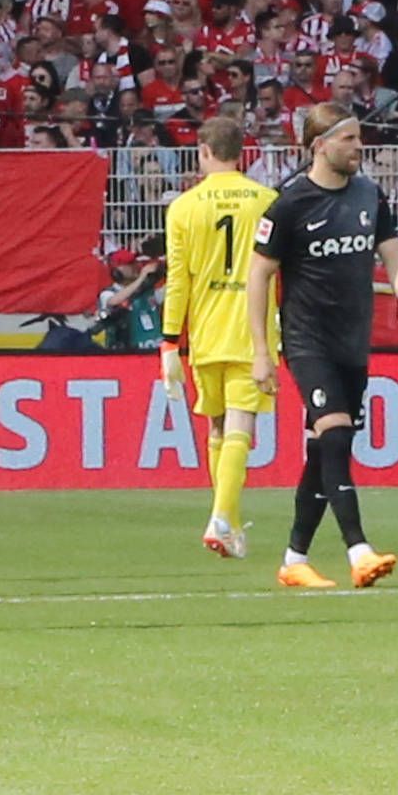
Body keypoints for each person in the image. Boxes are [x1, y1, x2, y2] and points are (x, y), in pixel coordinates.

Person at [251, 101, 398, 591]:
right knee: (337, 437)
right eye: (349, 139)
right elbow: (258, 274)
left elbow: (395, 257)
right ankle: (358, 549)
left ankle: (294, 558)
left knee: (325, 451)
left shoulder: (369, 194)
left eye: (359, 138)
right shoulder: (289, 204)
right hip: (307, 341)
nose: (358, 147)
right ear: (319, 146)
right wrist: (262, 350)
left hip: (352, 343)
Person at [159, 116, 279, 560]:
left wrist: (170, 340)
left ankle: (223, 520)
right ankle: (222, 519)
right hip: (253, 330)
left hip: (206, 331)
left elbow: (178, 281)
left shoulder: (184, 207)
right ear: (242, 152)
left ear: (204, 152)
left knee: (215, 425)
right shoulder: (267, 201)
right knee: (240, 425)